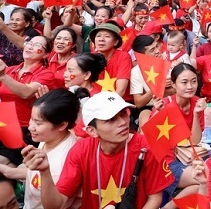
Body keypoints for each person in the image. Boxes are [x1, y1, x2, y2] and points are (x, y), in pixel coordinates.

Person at [22, 91, 173, 209]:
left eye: (123, 114)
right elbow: (56, 205)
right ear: (92, 131)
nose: (122, 123)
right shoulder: (81, 150)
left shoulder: (146, 148)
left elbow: (154, 199)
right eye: (111, 119)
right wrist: (45, 172)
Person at [0, 89, 82, 209]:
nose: (31, 127)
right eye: (31, 119)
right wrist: (9, 172)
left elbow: (55, 204)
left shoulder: (64, 160)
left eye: (38, 123)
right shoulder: (49, 137)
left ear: (62, 125)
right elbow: (38, 175)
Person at [144, 63, 206, 208]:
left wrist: (196, 114)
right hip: (164, 161)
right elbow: (150, 141)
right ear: (173, 84)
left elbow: (195, 140)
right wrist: (157, 114)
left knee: (208, 176)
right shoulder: (164, 105)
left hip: (185, 157)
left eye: (193, 81)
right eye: (184, 82)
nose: (190, 86)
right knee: (203, 181)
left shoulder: (197, 103)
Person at [0, 36, 54, 166]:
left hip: (25, 130)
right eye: (29, 43)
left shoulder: (46, 74)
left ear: (46, 54)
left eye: (37, 45)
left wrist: (3, 76)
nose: (30, 46)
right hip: (4, 125)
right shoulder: (10, 70)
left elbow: (26, 93)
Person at [89, 22, 132, 99]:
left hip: (119, 102)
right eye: (98, 36)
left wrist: (107, 105)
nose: (101, 39)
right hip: (95, 102)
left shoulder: (123, 56)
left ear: (116, 42)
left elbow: (121, 90)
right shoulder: (90, 58)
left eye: (107, 36)